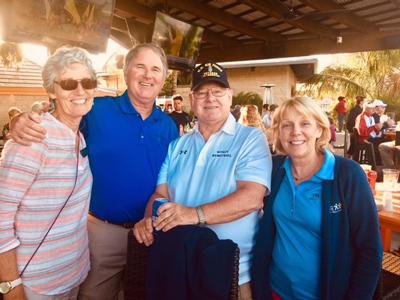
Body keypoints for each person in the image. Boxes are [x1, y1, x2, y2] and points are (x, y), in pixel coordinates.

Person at [9, 43, 179, 300]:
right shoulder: (95, 109)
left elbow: (169, 180)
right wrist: (19, 120)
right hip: (100, 234)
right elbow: (59, 117)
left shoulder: (168, 126)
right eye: (140, 67)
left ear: (163, 78)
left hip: (149, 232)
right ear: (126, 71)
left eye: (155, 69)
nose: (148, 75)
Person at [133, 60, 272, 299]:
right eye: (202, 92)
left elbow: (252, 197)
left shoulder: (250, 139)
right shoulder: (177, 145)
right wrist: (148, 219)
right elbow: (160, 194)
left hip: (233, 273)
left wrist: (193, 214)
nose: (210, 98)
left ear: (229, 96)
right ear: (191, 98)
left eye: (218, 91)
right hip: (179, 266)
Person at [251, 96, 383, 300]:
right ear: (278, 132)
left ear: (320, 130)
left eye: (305, 123)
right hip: (275, 290)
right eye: (287, 125)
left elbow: (370, 252)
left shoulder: (347, 174)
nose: (296, 131)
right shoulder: (275, 169)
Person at [0, 46, 95, 299]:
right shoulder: (33, 137)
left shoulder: (80, 137)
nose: (80, 90)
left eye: (87, 81)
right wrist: (9, 285)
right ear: (52, 89)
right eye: (68, 83)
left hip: (72, 274)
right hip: (35, 284)